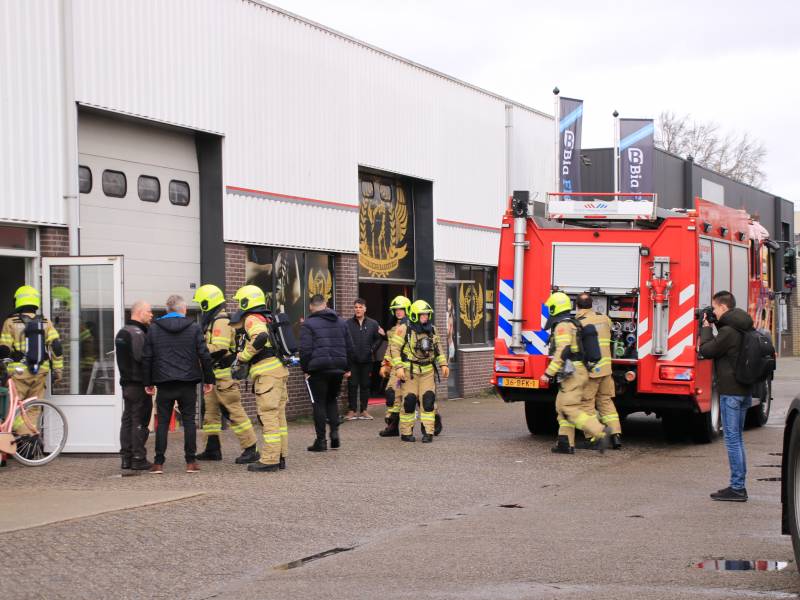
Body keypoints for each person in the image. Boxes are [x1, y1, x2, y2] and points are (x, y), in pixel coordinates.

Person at [142, 295, 215, 474]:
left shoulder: (154, 329)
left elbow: (147, 357)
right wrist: (209, 379)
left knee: (163, 423)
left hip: (164, 382)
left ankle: (158, 463)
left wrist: (148, 382)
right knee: (189, 421)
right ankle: (190, 462)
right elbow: (204, 355)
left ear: (167, 310)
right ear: (183, 310)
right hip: (187, 382)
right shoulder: (194, 327)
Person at [193, 284, 259, 465]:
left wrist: (196, 348)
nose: (200, 308)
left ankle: (251, 448)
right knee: (211, 415)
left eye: (201, 303)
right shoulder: (213, 320)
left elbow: (220, 348)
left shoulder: (220, 321)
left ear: (208, 303)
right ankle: (212, 449)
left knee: (234, 411)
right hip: (215, 376)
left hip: (225, 376)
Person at [699, 290, 753, 502]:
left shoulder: (729, 331)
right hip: (743, 390)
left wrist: (705, 328)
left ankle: (737, 487)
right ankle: (738, 484)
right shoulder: (742, 325)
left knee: (732, 440)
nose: (712, 311)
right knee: (737, 439)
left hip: (731, 392)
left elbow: (707, 350)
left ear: (722, 307)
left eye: (714, 308)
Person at [539, 292, 608, 454]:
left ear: (555, 308)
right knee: (561, 407)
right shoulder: (572, 323)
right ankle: (565, 442)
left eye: (550, 307)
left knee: (569, 408)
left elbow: (563, 350)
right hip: (576, 372)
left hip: (573, 373)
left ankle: (599, 431)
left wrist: (548, 373)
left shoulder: (563, 326)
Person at [230, 285, 289, 472]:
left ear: (247, 301)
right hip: (278, 372)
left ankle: (270, 459)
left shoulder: (252, 318)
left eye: (240, 301)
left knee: (268, 416)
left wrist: (243, 356)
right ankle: (280, 456)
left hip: (267, 375)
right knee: (279, 418)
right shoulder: (267, 316)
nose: (239, 305)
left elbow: (260, 337)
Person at [0, 286, 63, 452]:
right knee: (34, 408)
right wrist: (58, 371)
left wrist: (4, 370)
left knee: (11, 410)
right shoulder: (45, 322)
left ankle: (24, 437)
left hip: (18, 374)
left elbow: (4, 350)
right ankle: (29, 448)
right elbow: (57, 347)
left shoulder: (10, 323)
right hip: (40, 372)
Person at [300, 294, 353, 452]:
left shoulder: (308, 324)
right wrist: (347, 368)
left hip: (318, 369)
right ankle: (335, 433)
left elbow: (305, 350)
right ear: (326, 304)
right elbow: (350, 347)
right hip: (338, 368)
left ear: (311, 306)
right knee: (331, 400)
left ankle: (321, 441)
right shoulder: (342, 322)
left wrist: (306, 369)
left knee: (319, 403)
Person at [389, 299, 448, 443]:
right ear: (415, 315)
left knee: (428, 401)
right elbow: (394, 349)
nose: (426, 317)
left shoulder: (432, 329)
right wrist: (399, 367)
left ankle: (428, 432)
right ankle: (406, 432)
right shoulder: (404, 329)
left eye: (427, 315)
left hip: (427, 372)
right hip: (410, 372)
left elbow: (438, 348)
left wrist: (443, 364)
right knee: (409, 402)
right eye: (422, 315)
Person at [575, 293, 622, 450]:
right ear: (591, 305)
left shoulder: (578, 323)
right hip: (606, 369)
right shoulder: (605, 318)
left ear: (577, 306)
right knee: (606, 402)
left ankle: (594, 437)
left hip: (592, 371)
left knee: (586, 403)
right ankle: (616, 435)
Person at [115, 300, 154, 470]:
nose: (151, 315)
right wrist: (149, 382)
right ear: (140, 312)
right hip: (138, 384)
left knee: (128, 420)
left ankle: (126, 457)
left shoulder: (122, 332)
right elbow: (142, 358)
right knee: (140, 420)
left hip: (126, 384)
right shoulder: (138, 333)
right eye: (149, 311)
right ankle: (138, 458)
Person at [345, 298, 384, 420]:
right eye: (356, 307)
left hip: (367, 361)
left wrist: (372, 350)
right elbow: (344, 340)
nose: (358, 309)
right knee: (352, 385)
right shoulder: (347, 324)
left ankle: (364, 410)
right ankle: (352, 411)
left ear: (365, 309)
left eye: (360, 307)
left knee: (365, 385)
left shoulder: (373, 323)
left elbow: (379, 338)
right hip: (352, 361)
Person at [378, 295, 412, 437]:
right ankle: (392, 426)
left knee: (418, 399)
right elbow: (390, 349)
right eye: (396, 310)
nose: (398, 312)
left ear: (407, 310)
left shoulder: (413, 327)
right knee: (392, 395)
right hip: (395, 369)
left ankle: (432, 424)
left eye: (401, 309)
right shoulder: (393, 330)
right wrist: (385, 364)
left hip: (411, 368)